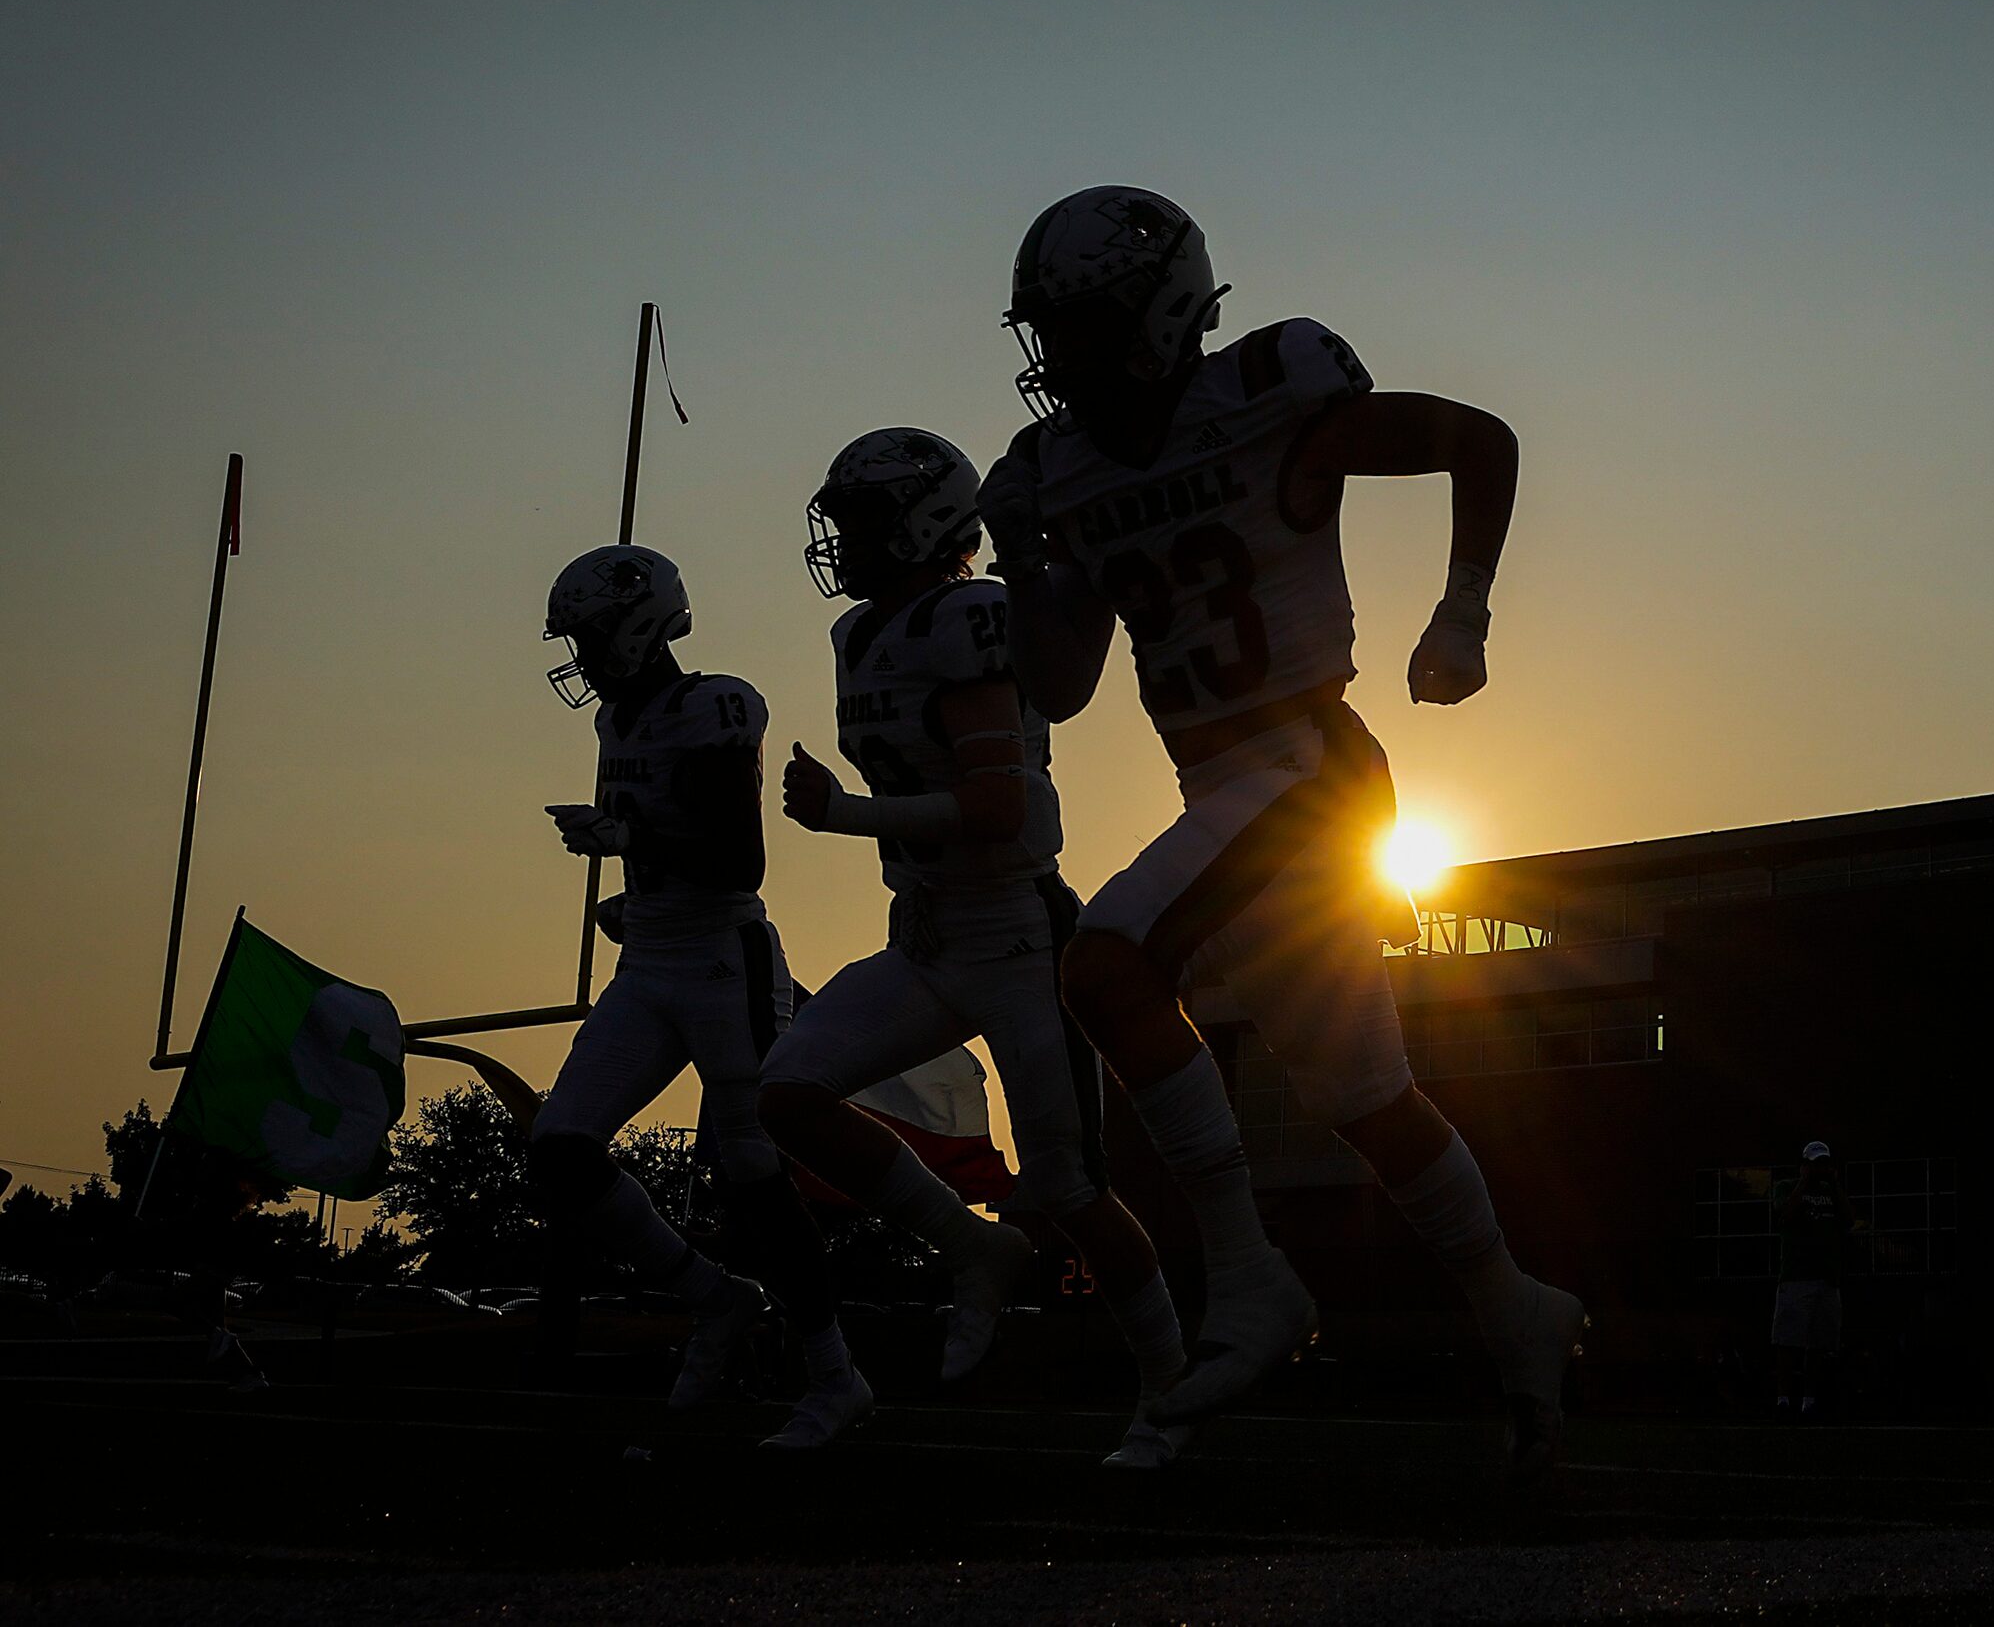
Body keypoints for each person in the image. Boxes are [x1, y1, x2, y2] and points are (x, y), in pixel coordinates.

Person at [977, 186, 1585, 1477]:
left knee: (1103, 962)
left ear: (1159, 314)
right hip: (1224, 794)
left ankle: (1249, 1275)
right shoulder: (1061, 469)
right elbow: (1064, 678)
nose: (1062, 359)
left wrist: (1461, 611)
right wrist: (1024, 562)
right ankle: (1514, 1307)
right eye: (1054, 332)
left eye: (1084, 327)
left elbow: (1478, 438)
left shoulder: (1267, 394)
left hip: (1309, 765)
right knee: (1369, 1097)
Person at [756, 429, 1186, 1463]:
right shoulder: (859, 632)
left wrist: (845, 813)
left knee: (1072, 1188)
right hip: (925, 936)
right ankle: (972, 1250)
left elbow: (997, 806)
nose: (846, 542)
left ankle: (1174, 1390)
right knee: (787, 1093)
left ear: (922, 522)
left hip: (1019, 941)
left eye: (863, 520)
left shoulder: (972, 615)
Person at [526, 544, 849, 1418]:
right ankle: (719, 1301)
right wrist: (637, 896)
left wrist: (629, 845)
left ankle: (831, 1373)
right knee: (560, 1148)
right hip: (653, 961)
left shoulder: (712, 705)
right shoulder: (616, 721)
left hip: (720, 961)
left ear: (637, 623)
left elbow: (737, 859)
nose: (583, 657)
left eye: (590, 635)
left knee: (753, 1170)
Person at [1770, 1142, 1857, 1418]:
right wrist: (1804, 1182)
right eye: (1816, 1163)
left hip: (1827, 1279)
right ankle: (1783, 1399)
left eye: (1824, 1163)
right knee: (1788, 1342)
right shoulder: (1786, 1187)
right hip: (1797, 1277)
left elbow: (1848, 1220)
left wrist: (1835, 1185)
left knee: (1819, 1344)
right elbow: (1784, 1216)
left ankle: (1809, 1400)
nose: (1821, 1168)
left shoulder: (1832, 1192)